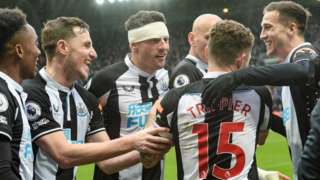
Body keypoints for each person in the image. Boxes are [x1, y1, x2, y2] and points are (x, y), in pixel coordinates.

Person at [22, 16, 171, 180]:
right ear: (63, 47)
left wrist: (153, 146)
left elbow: (108, 163)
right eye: (87, 45)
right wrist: (137, 140)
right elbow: (63, 154)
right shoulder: (30, 93)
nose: (94, 53)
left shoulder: (86, 100)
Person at [201, 1, 319, 179]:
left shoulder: (305, 55)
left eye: (268, 27)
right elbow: (296, 131)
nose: (262, 35)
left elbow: (305, 71)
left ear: (291, 28)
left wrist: (239, 76)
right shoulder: (289, 68)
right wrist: (258, 111)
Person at [144, 20, 274, 180]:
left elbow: (148, 161)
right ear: (241, 59)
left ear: (208, 52)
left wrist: (152, 120)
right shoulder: (260, 94)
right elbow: (261, 139)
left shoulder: (175, 99)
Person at [86, 10, 170, 180]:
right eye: (154, 40)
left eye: (166, 39)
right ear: (134, 45)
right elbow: (85, 123)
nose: (163, 47)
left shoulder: (167, 77)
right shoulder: (105, 81)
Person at [0, 7, 40, 180]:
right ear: (19, 50)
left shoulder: (12, 92)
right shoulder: (2, 94)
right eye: (36, 44)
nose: (39, 52)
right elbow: (2, 171)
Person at [169, 14, 221, 88]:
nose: (215, 44)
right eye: (209, 38)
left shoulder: (207, 69)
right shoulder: (186, 71)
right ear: (192, 39)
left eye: (219, 39)